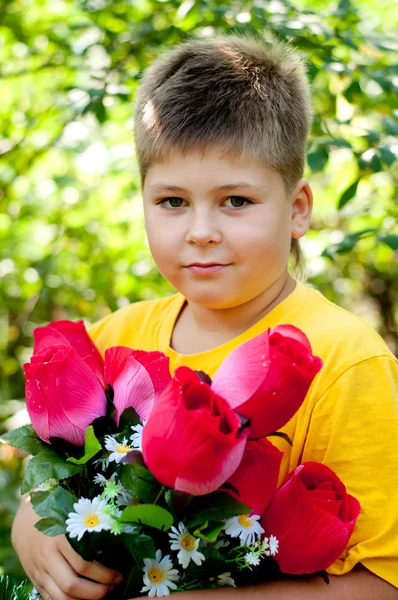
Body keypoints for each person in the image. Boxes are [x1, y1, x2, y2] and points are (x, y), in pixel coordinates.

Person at [11, 34, 398, 600]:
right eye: (172, 201)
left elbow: (382, 581)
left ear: (297, 210)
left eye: (236, 201)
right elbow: (50, 469)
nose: (200, 231)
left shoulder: (346, 362)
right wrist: (31, 529)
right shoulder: (117, 337)